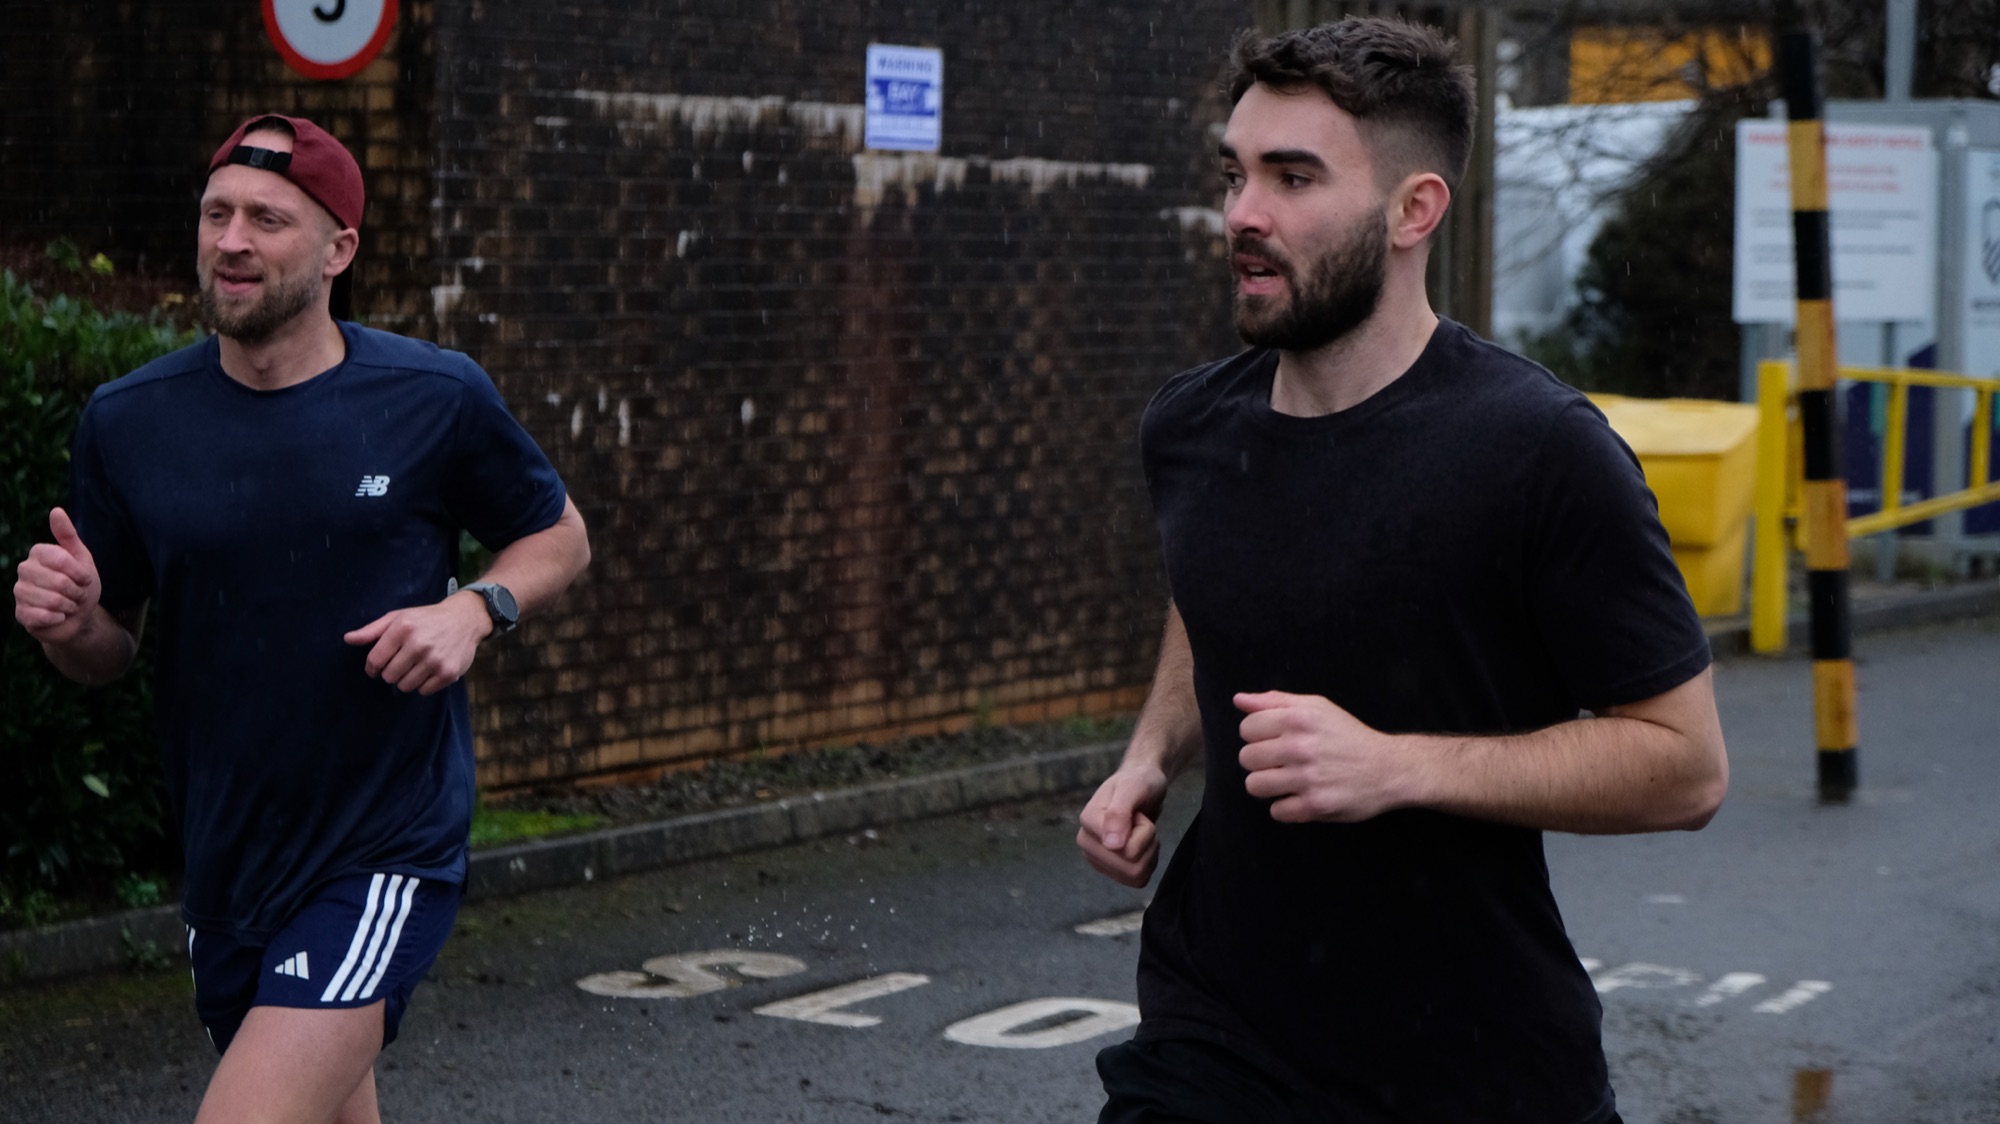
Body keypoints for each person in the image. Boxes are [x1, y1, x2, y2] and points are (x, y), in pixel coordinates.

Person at [1075, 18, 1727, 1124]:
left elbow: (1685, 765)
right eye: (1234, 174)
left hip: (1473, 1066)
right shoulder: (1190, 428)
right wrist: (1150, 755)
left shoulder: (1538, 451)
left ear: (1412, 210)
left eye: (1292, 178)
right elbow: (1208, 588)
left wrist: (1394, 766)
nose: (1242, 214)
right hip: (1213, 1031)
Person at [11, 114, 590, 1124]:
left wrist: (473, 607)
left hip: (381, 847)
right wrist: (68, 625)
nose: (231, 241)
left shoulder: (432, 396)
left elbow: (560, 536)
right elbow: (110, 648)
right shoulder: (130, 419)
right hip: (229, 858)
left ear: (338, 250)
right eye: (217, 214)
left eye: (267, 220)